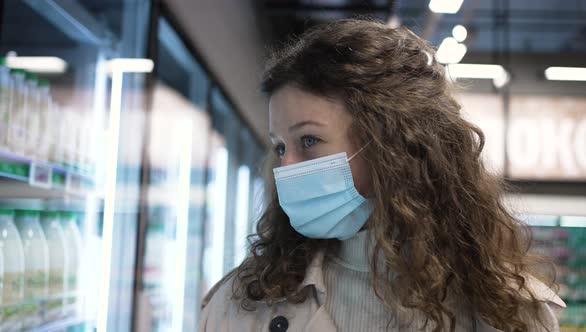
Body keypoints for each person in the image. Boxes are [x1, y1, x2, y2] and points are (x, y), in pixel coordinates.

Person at [198, 18, 565, 332]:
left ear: (392, 145)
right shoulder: (242, 303)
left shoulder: (509, 312)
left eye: (309, 140)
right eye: (280, 147)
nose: (286, 168)